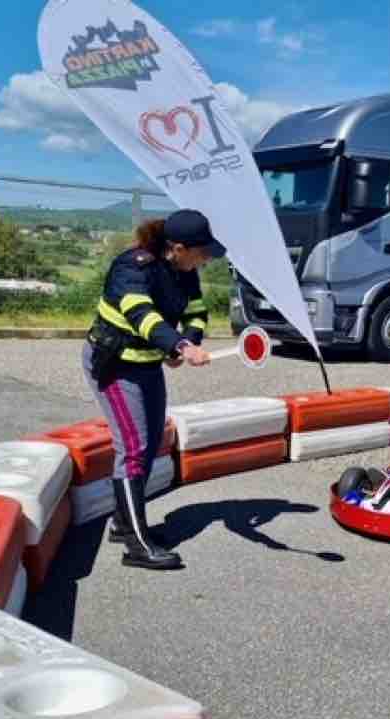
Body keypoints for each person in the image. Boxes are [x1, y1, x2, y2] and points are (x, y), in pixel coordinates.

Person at [82, 208, 222, 570]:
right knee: (132, 447)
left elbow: (196, 312)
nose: (206, 259)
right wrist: (179, 347)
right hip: (113, 363)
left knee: (149, 442)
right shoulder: (133, 267)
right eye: (202, 252)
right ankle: (136, 544)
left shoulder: (185, 271)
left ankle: (122, 522)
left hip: (145, 363)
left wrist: (186, 340)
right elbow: (142, 316)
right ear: (178, 247)